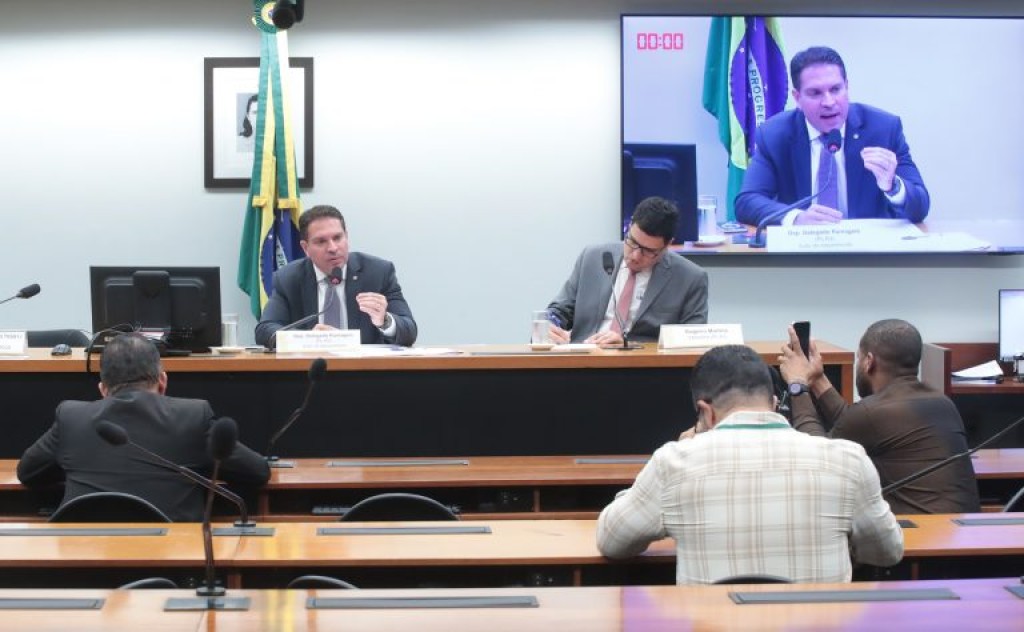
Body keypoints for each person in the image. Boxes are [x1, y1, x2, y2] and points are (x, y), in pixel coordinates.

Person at [596, 344, 903, 584]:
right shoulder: (848, 459)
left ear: (706, 412)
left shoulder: (674, 462)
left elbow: (613, 541)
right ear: (774, 404)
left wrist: (645, 488)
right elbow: (887, 552)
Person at [17, 333, 270, 522]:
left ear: (102, 389)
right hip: (171, 567)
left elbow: (28, 472)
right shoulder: (192, 416)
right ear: (162, 381)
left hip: (82, 566)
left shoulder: (72, 417)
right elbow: (257, 472)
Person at [779, 319, 981, 515]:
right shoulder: (943, 403)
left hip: (917, 533)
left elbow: (815, 454)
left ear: (869, 361)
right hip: (960, 532)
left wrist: (797, 384)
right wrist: (818, 379)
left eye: (859, 358)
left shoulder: (873, 413)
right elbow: (854, 422)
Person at [735, 46, 929, 227]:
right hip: (804, 248)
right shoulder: (774, 135)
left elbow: (921, 206)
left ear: (847, 87)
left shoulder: (883, 129)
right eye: (815, 93)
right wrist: (796, 218)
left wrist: (893, 186)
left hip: (867, 248)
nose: (828, 102)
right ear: (797, 98)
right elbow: (747, 202)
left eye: (836, 89)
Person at [547, 196, 708, 345]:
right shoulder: (592, 258)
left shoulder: (690, 278)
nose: (635, 256)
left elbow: (692, 342)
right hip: (584, 358)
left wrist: (627, 345)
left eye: (648, 251)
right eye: (632, 242)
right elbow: (559, 310)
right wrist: (549, 324)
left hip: (643, 364)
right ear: (629, 227)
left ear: (667, 245)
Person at [255, 205, 417, 348]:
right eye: (321, 241)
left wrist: (385, 320)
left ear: (346, 237)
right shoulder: (289, 278)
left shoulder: (378, 273)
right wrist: (308, 339)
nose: (332, 248)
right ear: (305, 248)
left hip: (365, 369)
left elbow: (409, 331)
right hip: (310, 369)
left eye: (338, 238)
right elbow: (265, 330)